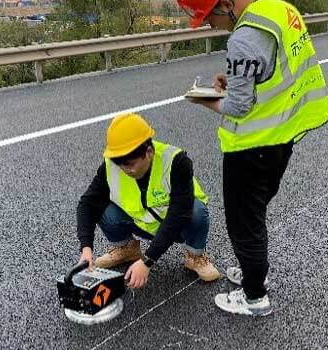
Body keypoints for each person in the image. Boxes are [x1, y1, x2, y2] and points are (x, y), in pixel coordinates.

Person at [175, 0, 328, 316]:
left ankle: (253, 296)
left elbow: (237, 108)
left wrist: (207, 100)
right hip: (282, 136)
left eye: (212, 18)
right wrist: (235, 81)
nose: (213, 27)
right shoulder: (280, 10)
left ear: (227, 4)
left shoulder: (244, 38)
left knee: (244, 223)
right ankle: (252, 271)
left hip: (253, 146)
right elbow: (273, 71)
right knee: (255, 213)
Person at [76, 112, 221, 289]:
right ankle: (126, 249)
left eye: (129, 164)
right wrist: (86, 248)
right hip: (143, 224)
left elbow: (179, 214)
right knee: (101, 207)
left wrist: (148, 260)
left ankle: (195, 257)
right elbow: (87, 204)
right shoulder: (110, 167)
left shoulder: (176, 162)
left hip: (179, 226)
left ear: (149, 152)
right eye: (119, 164)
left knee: (196, 210)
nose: (125, 170)